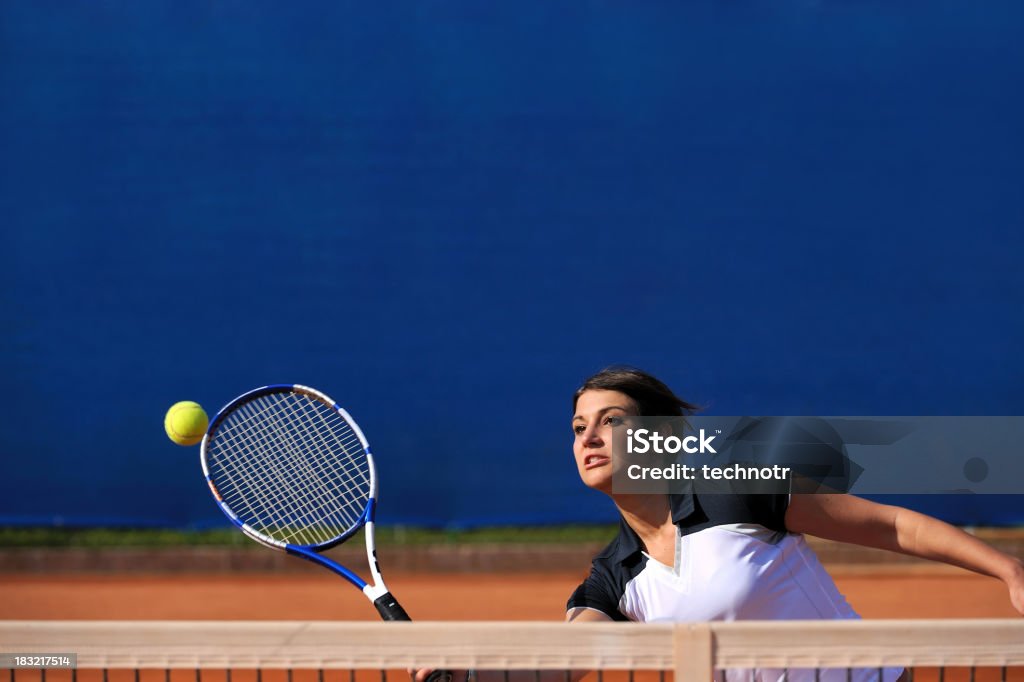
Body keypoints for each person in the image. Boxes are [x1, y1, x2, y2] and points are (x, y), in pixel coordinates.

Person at [415, 367, 1024, 682]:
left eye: (611, 421)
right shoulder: (614, 578)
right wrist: (467, 672)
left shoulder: (739, 493)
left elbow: (891, 527)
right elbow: (562, 663)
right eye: (578, 427)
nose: (590, 438)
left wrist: (1007, 567)